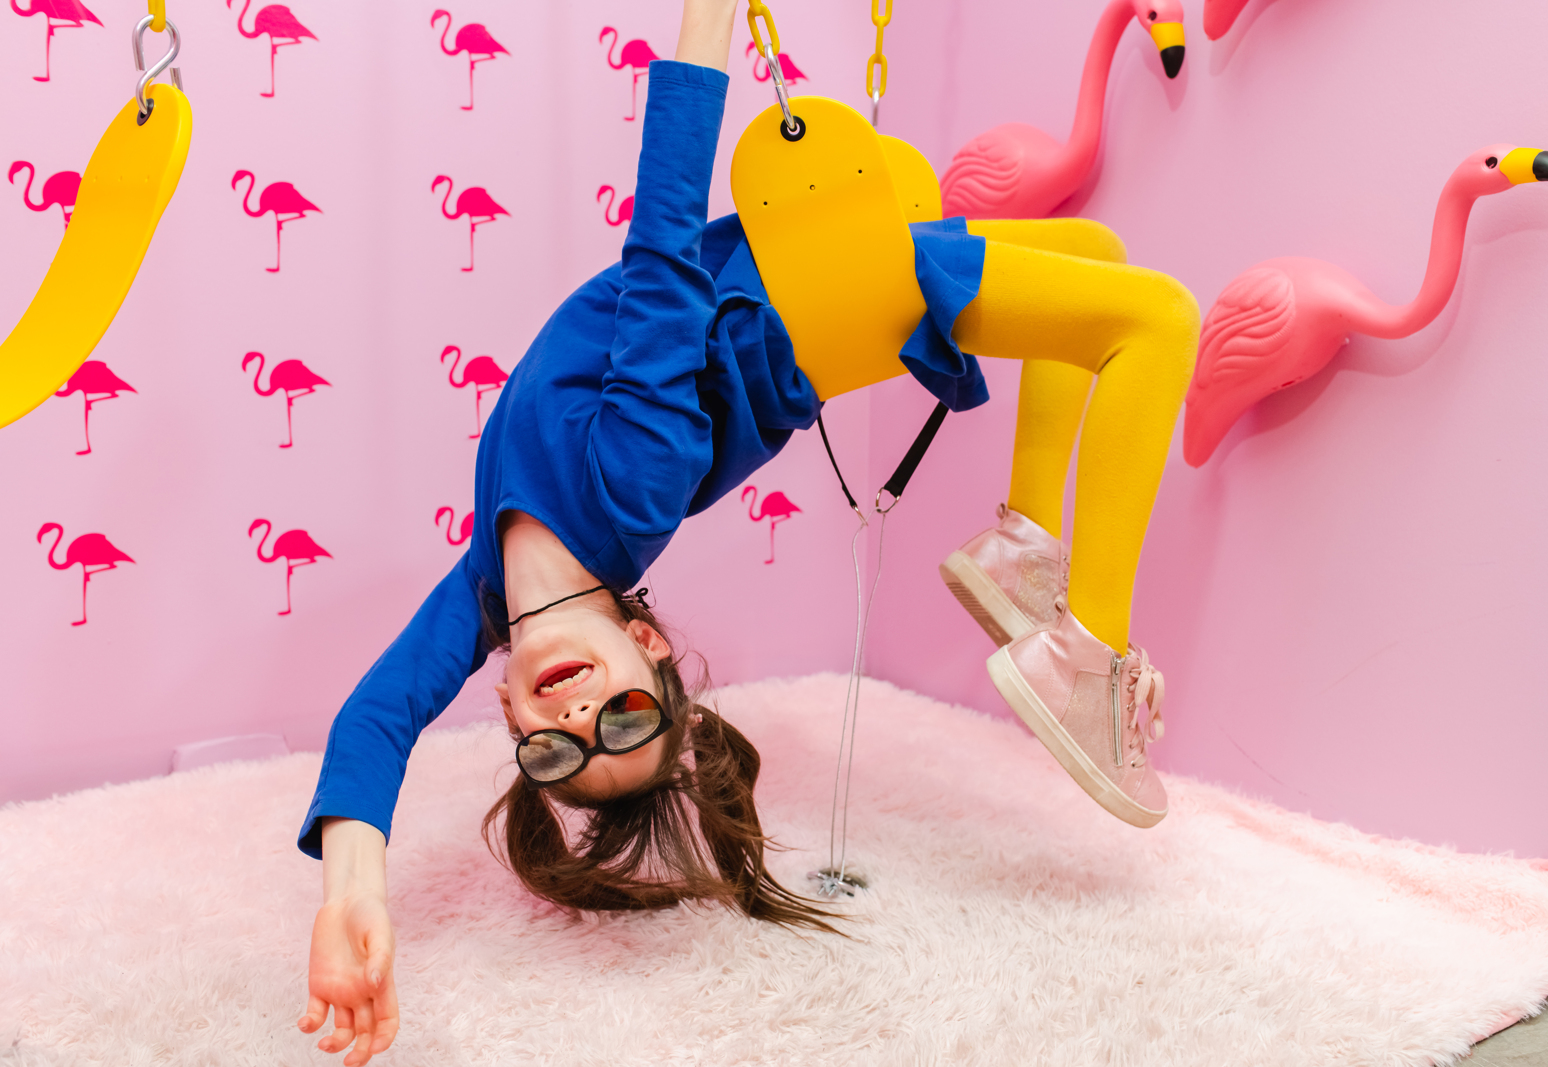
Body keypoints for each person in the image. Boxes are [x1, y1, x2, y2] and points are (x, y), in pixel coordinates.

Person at [295, 1, 1199, 1062]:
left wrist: (349, 888)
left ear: (505, 708)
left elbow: (373, 722)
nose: (581, 716)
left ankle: (1021, 548)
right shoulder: (623, 499)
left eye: (555, 749)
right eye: (625, 722)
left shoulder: (484, 588)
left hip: (801, 276)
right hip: (820, 293)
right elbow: (663, 242)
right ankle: (1085, 647)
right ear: (653, 648)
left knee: (1087, 249)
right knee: (1157, 320)